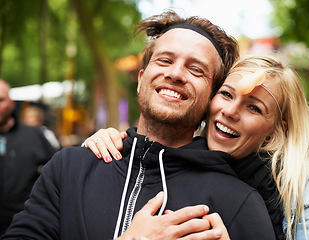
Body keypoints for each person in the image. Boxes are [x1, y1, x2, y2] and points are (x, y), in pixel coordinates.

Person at [1, 11, 276, 240]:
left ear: (210, 99)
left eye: (196, 70)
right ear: (141, 79)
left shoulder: (240, 201)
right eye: (165, 60)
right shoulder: (68, 168)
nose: (175, 73)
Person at [85, 54, 309, 240]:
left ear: (275, 131)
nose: (230, 111)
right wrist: (116, 142)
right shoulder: (181, 157)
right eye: (227, 94)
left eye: (254, 107)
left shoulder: (301, 180)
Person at [0, 80, 57, 235]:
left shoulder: (35, 136)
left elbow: (57, 173)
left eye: (1, 100)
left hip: (26, 227)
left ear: (11, 103)